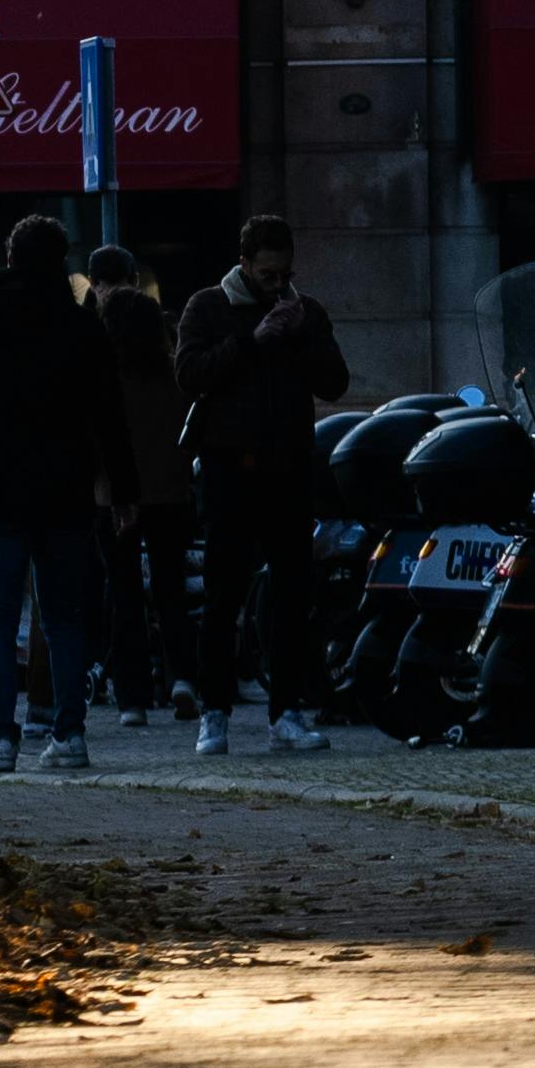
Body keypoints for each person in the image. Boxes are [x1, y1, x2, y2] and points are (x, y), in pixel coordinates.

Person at [171, 208, 349, 760]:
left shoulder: (306, 312)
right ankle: (215, 713)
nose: (277, 285)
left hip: (288, 469)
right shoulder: (207, 307)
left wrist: (300, 336)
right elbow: (189, 375)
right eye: (267, 274)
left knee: (292, 595)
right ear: (245, 264)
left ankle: (286, 713)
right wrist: (251, 340)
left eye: (285, 274)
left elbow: (335, 382)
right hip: (228, 468)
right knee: (222, 596)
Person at [0, 208, 107, 772]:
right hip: (66, 493)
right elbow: (109, 416)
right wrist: (121, 490)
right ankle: (69, 733)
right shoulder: (82, 327)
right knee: (64, 619)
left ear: (9, 259)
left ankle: (0, 739)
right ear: (61, 263)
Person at [82, 246, 193, 706]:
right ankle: (182, 676)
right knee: (171, 588)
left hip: (112, 495)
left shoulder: (102, 375)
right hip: (169, 492)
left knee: (123, 591)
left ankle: (132, 695)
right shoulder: (171, 373)